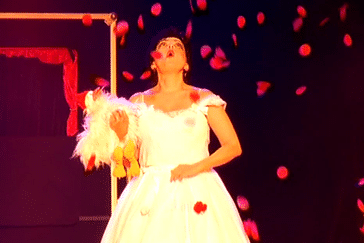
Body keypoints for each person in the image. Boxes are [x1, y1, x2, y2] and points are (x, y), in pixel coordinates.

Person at [86, 28, 250, 243]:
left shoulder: (204, 99)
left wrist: (194, 167)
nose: (170, 47)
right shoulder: (138, 103)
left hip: (197, 186)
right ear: (154, 62)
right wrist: (122, 133)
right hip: (150, 192)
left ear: (186, 63)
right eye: (163, 45)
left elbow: (232, 146)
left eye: (178, 46)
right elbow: (130, 162)